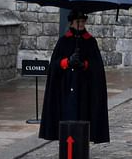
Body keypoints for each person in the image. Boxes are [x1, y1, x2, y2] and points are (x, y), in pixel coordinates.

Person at [39, 10, 110, 144]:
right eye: (79, 22)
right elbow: (54, 65)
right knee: (68, 114)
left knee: (83, 115)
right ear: (72, 23)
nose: (81, 24)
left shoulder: (90, 41)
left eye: (83, 22)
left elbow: (97, 67)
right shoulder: (63, 41)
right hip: (66, 86)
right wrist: (67, 62)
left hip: (84, 87)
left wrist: (84, 64)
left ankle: (81, 143)